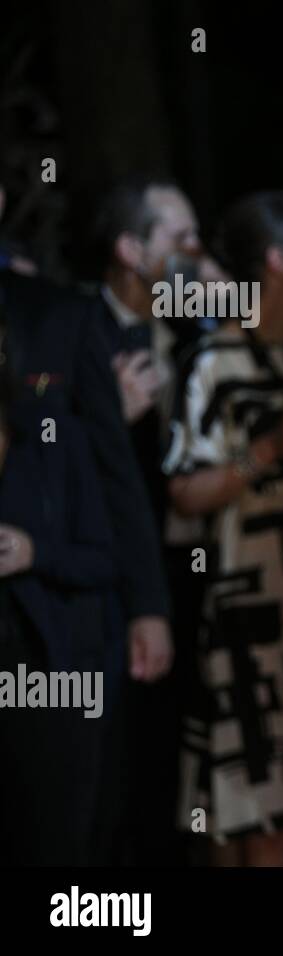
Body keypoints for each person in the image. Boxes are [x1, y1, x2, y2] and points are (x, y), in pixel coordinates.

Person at [164, 191, 283, 865]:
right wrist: (264, 453)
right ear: (277, 260)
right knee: (254, 814)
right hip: (249, 605)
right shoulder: (212, 361)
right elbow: (185, 492)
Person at [89, 174, 209, 863]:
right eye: (181, 237)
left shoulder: (196, 335)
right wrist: (107, 418)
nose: (197, 250)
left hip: (192, 578)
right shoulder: (75, 332)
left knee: (178, 765)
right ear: (131, 251)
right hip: (113, 588)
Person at [0, 321, 115, 864]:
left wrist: (34, 552)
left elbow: (102, 557)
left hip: (49, 678)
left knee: (57, 844)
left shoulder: (53, 436)